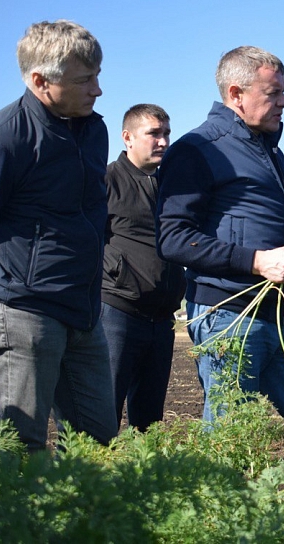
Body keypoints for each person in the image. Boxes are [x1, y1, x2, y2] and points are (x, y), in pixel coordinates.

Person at [0, 20, 117, 451]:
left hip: (82, 309)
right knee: (20, 445)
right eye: (85, 79)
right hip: (20, 308)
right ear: (40, 81)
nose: (97, 90)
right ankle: (17, 520)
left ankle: (82, 521)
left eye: (97, 75)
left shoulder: (93, 131)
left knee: (97, 441)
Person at [157, 45, 284, 461]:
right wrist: (256, 261)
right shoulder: (198, 149)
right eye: (273, 92)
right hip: (231, 318)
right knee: (230, 440)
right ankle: (219, 524)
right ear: (237, 94)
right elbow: (171, 237)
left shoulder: (268, 150)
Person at [100, 103, 186, 432]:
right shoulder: (107, 180)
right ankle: (95, 479)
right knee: (103, 412)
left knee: (148, 421)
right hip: (117, 313)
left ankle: (141, 481)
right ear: (128, 137)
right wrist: (116, 272)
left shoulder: (170, 187)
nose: (163, 141)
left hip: (161, 319)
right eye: (153, 134)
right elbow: (86, 238)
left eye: (166, 133)